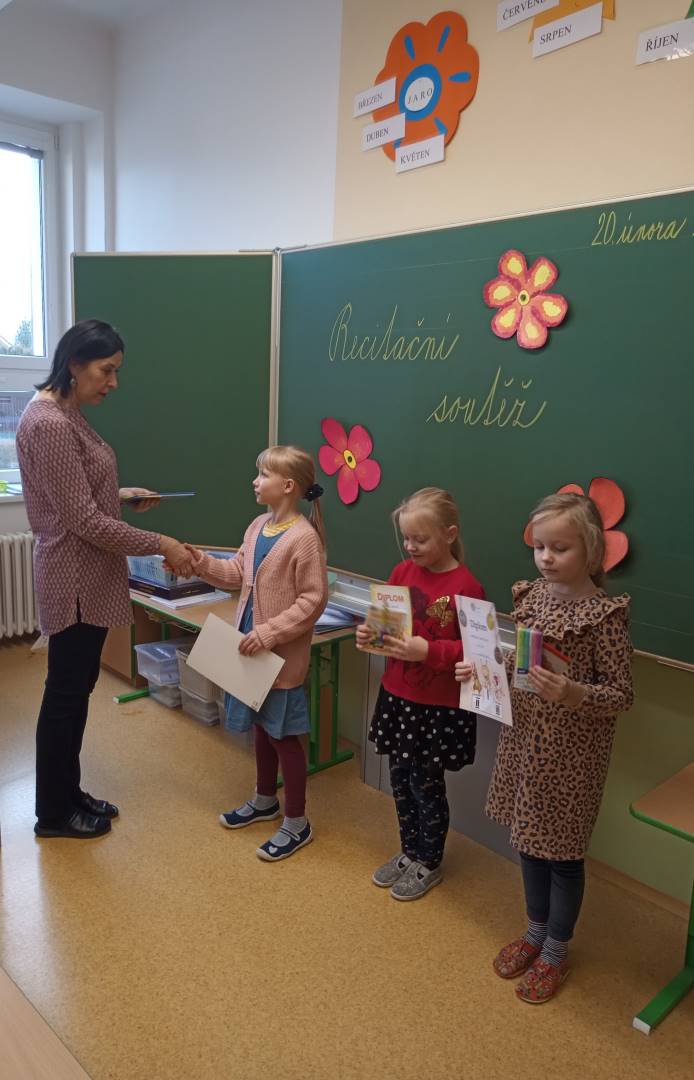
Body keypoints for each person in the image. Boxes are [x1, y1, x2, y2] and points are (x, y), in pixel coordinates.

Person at [16, 319, 192, 840]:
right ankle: (53, 814)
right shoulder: (50, 422)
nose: (113, 382)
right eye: (106, 370)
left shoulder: (64, 411)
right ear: (75, 364)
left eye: (116, 371)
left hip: (84, 572)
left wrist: (120, 493)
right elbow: (84, 523)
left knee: (76, 690)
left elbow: (72, 494)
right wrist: (161, 543)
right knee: (65, 696)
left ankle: (68, 792)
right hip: (73, 576)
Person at [457, 491, 633, 1003]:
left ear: (592, 551)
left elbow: (622, 694)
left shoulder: (604, 616)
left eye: (560, 548)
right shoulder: (532, 596)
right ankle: (535, 930)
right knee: (528, 842)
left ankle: (556, 949)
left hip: (572, 758)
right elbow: (520, 664)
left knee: (563, 856)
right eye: (540, 547)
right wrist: (481, 670)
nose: (546, 558)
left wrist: (574, 692)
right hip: (525, 742)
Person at [183, 446, 327, 862]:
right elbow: (235, 573)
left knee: (284, 737)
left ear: (288, 485)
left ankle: (297, 823)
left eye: (263, 475)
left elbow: (313, 600)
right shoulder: (258, 526)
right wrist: (199, 563)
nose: (255, 481)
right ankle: (265, 800)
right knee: (261, 730)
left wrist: (268, 633)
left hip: (278, 659)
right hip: (250, 652)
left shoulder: (304, 538)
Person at [358, 487, 485, 901]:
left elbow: (477, 653)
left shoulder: (467, 586)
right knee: (399, 779)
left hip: (436, 709)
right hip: (398, 697)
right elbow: (385, 628)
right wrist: (370, 634)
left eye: (421, 539)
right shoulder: (401, 572)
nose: (411, 547)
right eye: (407, 538)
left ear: (450, 534)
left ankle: (429, 861)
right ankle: (409, 850)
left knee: (425, 784)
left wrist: (428, 651)